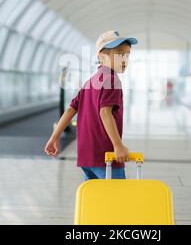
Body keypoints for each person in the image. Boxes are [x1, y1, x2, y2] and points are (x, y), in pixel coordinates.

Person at [44, 30, 138, 180]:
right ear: (102, 56)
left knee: (94, 200)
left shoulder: (90, 81)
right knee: (118, 200)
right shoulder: (112, 80)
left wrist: (54, 137)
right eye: (119, 53)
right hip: (106, 156)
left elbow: (70, 110)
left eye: (128, 54)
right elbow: (105, 113)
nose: (124, 59)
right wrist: (118, 145)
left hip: (86, 157)